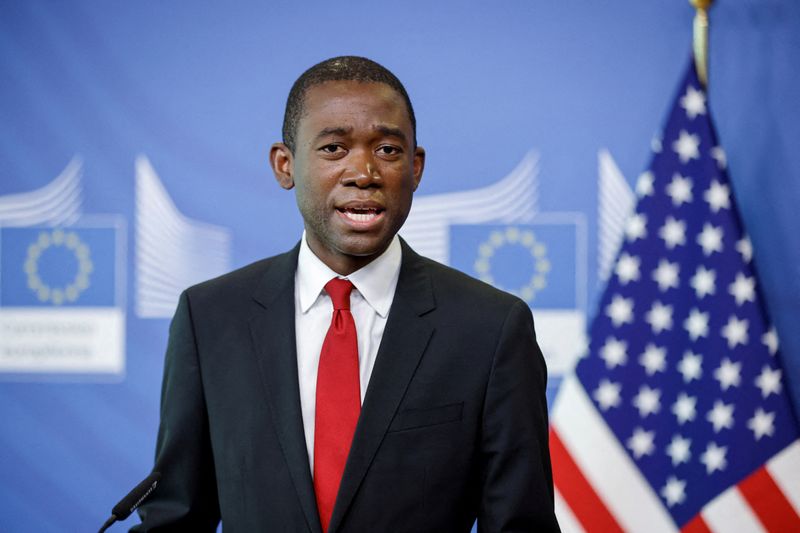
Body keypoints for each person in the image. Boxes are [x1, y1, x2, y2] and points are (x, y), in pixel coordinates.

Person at [133, 56, 560, 532]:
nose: (364, 172)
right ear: (285, 164)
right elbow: (175, 518)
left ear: (416, 169)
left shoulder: (490, 328)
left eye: (388, 150)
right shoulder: (209, 318)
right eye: (334, 147)